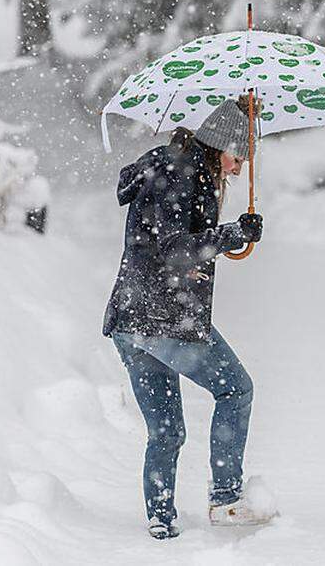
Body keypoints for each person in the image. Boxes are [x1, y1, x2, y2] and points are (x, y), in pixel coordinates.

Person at [102, 96, 271, 539]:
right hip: (164, 319)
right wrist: (232, 233)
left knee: (167, 430)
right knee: (236, 389)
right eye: (239, 155)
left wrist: (223, 239)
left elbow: (170, 245)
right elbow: (175, 248)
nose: (238, 168)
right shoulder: (183, 175)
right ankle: (227, 499)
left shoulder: (170, 167)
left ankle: (160, 520)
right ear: (220, 145)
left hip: (131, 319)